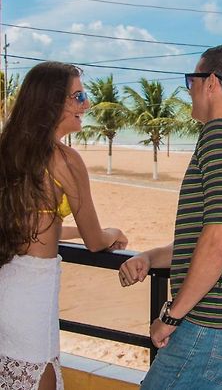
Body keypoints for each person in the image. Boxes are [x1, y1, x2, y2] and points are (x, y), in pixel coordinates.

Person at [119, 45, 222, 389]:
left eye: (190, 80)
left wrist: (171, 315)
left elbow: (220, 239)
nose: (188, 90)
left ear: (211, 82)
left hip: (214, 324)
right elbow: (211, 238)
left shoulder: (220, 134)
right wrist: (151, 257)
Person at [0, 61, 128, 390]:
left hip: (7, 284)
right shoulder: (65, 160)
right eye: (79, 96)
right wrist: (113, 233)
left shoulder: (10, 151)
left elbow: (32, 223)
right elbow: (96, 240)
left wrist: (66, 232)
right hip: (32, 298)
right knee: (39, 377)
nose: (86, 104)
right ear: (52, 101)